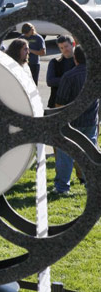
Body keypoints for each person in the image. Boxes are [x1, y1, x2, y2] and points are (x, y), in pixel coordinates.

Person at [53, 46, 98, 195]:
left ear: (75, 58)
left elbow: (60, 103)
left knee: (65, 155)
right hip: (91, 120)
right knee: (90, 154)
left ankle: (62, 188)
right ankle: (91, 184)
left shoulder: (69, 76)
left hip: (71, 122)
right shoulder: (96, 75)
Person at [47, 35, 76, 108]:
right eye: (61, 48)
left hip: (74, 102)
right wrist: (70, 81)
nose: (64, 50)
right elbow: (50, 81)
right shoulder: (54, 62)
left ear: (73, 45)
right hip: (56, 102)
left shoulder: (80, 61)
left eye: (66, 46)